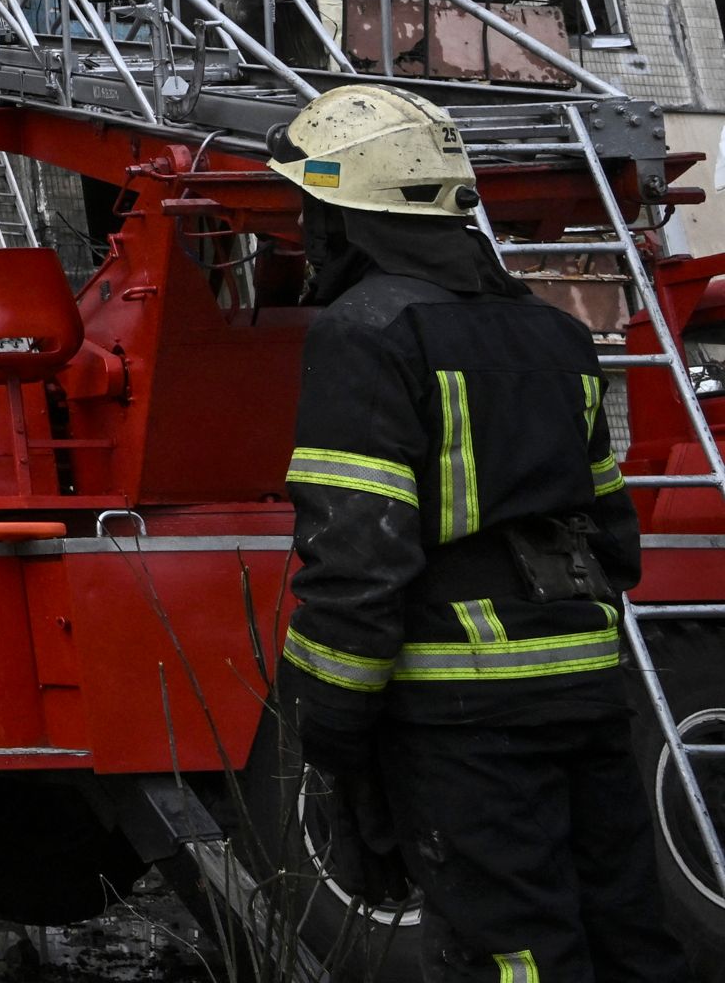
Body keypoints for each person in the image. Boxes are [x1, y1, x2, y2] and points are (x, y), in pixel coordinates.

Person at [271, 83, 689, 983]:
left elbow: (357, 553)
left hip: (464, 710)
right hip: (583, 686)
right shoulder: (553, 335)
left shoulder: (364, 333)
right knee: (625, 931)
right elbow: (613, 534)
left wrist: (331, 728)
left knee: (512, 950)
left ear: (345, 216)